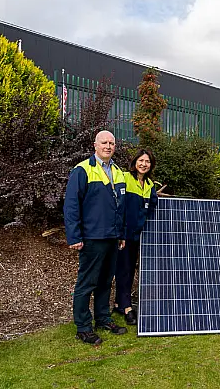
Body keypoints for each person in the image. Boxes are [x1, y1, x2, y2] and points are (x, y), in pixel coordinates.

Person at [64, 130, 128, 344]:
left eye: (112, 143)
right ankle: (83, 327)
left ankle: (103, 318)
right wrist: (74, 237)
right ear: (95, 145)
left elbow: (121, 206)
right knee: (87, 282)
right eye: (104, 143)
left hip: (112, 237)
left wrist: (121, 234)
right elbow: (71, 205)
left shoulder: (118, 172)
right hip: (92, 238)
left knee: (105, 282)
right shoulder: (82, 170)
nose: (108, 146)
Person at [112, 149, 158, 325]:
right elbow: (118, 206)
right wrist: (120, 233)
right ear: (135, 162)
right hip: (124, 235)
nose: (144, 164)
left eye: (147, 161)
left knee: (129, 269)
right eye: (141, 160)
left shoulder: (149, 185)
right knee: (124, 269)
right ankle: (126, 307)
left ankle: (119, 303)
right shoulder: (124, 178)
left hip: (138, 235)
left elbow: (152, 205)